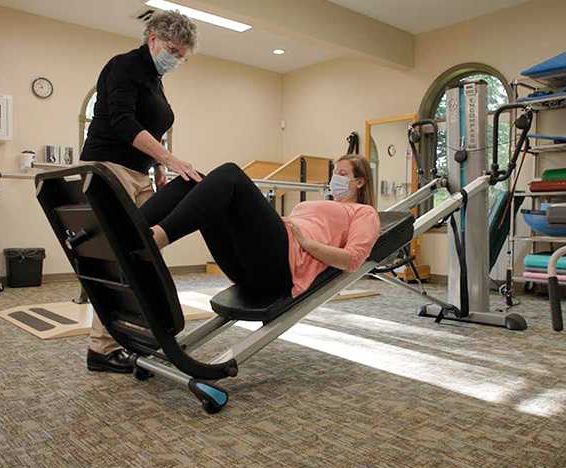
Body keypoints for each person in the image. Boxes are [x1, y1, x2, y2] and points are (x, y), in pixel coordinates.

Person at [81, 10, 201, 374]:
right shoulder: (124, 66)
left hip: (139, 174)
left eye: (183, 55)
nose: (177, 59)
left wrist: (159, 166)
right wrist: (169, 157)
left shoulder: (155, 80)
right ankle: (101, 350)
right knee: (122, 256)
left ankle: (139, 336)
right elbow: (122, 122)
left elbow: (153, 127)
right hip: (109, 169)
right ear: (153, 38)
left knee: (144, 254)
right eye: (173, 50)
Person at [140, 154, 381, 298]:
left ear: (359, 182)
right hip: (252, 264)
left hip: (282, 268)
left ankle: (158, 237)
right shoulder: (320, 203)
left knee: (230, 173)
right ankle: (134, 228)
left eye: (342, 173)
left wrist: (308, 243)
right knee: (193, 180)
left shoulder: (364, 212)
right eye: (334, 173)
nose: (335, 178)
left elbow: (353, 260)